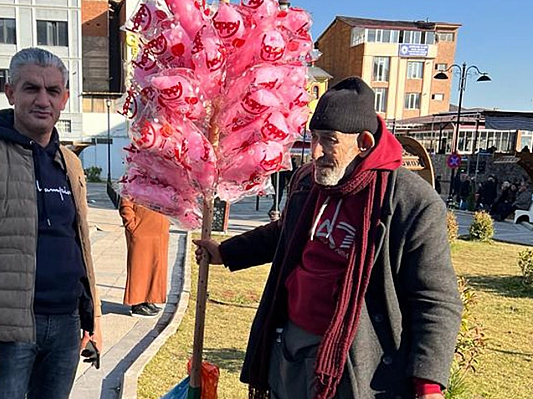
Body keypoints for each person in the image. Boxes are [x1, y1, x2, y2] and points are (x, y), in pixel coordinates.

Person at [194, 77, 462, 399]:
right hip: (290, 343)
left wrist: (428, 384)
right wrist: (227, 252)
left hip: (357, 359)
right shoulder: (309, 182)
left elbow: (435, 299)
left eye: (329, 140)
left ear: (363, 142)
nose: (316, 151)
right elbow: (284, 232)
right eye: (314, 138)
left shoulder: (411, 201)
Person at [0, 47, 102, 399]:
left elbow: (80, 246)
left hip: (66, 326)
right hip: (8, 333)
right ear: (11, 92)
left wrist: (91, 318)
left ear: (65, 98)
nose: (43, 99)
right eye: (31, 89)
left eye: (53, 91)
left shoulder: (69, 162)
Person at [119, 197, 170, 318]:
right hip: (142, 230)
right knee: (140, 267)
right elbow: (126, 200)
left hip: (158, 232)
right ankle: (137, 304)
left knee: (155, 267)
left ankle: (148, 299)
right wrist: (132, 225)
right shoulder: (135, 178)